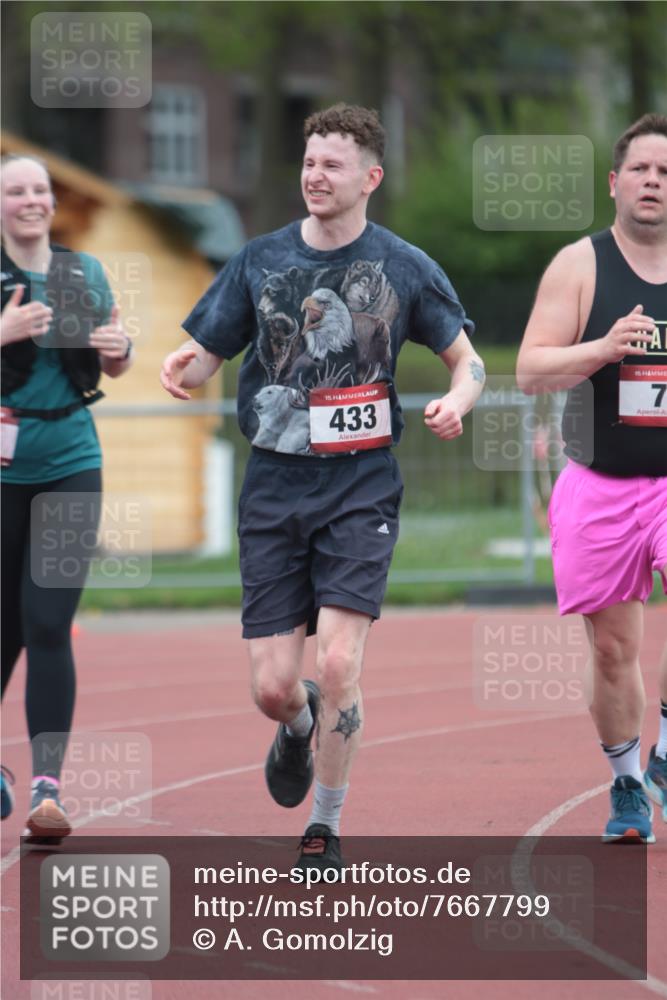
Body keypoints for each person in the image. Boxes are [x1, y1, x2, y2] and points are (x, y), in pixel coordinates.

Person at [160, 103, 484, 874]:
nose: (315, 175)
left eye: (332, 165)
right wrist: (186, 365)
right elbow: (209, 347)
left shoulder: (403, 265)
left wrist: (457, 401)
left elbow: (467, 360)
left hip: (360, 485)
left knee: (341, 664)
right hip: (273, 485)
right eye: (308, 163)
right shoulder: (259, 260)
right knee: (274, 689)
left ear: (369, 178)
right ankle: (298, 724)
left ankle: (325, 827)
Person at [516, 113, 667, 843]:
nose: (652, 182)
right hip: (600, 478)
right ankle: (626, 782)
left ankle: (666, 752)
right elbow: (527, 369)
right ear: (614, 182)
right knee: (612, 649)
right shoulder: (580, 265)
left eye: (665, 174)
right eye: (640, 169)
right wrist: (601, 348)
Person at [0, 154, 133, 842]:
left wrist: (119, 351)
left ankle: (46, 792)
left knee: (47, 622)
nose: (31, 200)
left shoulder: (83, 273)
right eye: (16, 190)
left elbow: (112, 353)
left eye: (40, 189)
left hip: (70, 462)